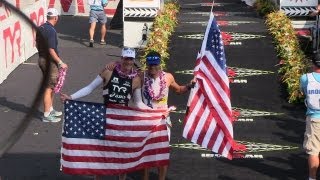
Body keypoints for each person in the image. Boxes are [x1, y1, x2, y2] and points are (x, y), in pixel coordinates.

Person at [60, 47, 150, 180]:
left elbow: (138, 103)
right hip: (105, 116)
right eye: (126, 58)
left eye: (131, 59)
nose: (128, 62)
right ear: (121, 58)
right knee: (101, 152)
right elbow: (90, 87)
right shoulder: (108, 71)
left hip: (123, 120)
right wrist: (71, 97)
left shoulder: (136, 79)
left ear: (133, 60)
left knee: (122, 152)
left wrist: (155, 112)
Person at [105, 50, 193, 180]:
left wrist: (189, 85)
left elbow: (179, 90)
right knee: (145, 152)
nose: (153, 68)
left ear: (160, 64)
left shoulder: (168, 77)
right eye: (150, 65)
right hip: (145, 120)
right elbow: (124, 74)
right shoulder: (140, 76)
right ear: (147, 64)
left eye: (155, 65)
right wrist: (116, 64)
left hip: (162, 121)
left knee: (161, 153)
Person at [36, 8, 68, 122]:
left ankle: (50, 109)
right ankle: (46, 115)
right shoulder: (51, 31)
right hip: (49, 62)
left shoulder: (41, 28)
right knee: (48, 87)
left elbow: (37, 44)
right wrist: (60, 62)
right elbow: (51, 49)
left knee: (52, 86)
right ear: (55, 18)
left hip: (42, 59)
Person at [300, 53, 320, 180]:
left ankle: (312, 178)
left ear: (312, 63)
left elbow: (303, 92)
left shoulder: (305, 78)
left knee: (314, 150)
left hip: (314, 118)